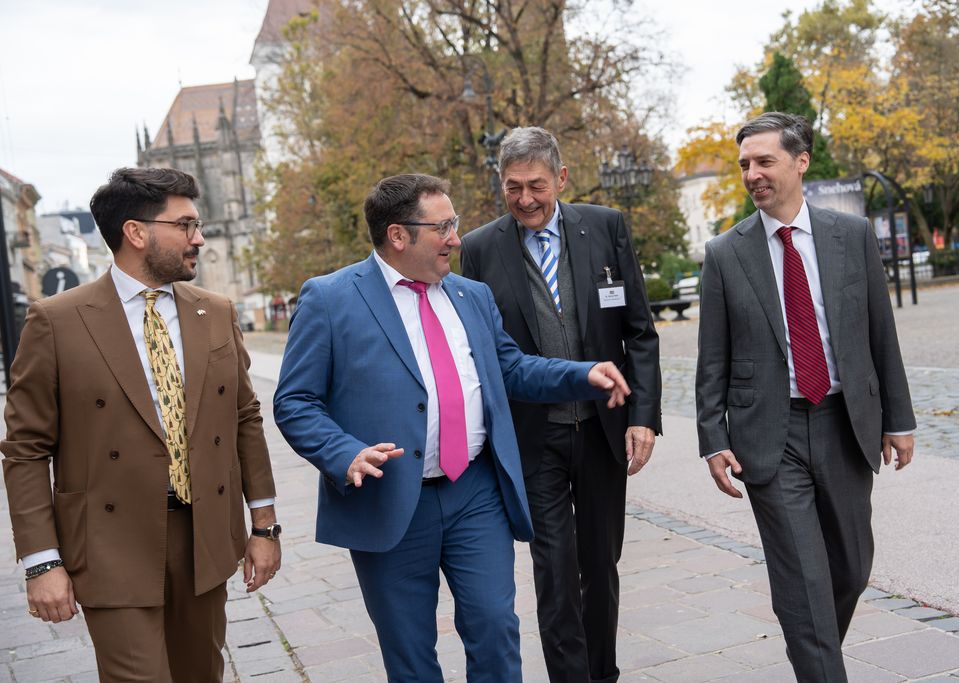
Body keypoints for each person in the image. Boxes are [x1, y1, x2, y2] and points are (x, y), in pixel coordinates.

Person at [273, 173, 632, 683]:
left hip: (475, 494)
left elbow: (509, 369)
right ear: (399, 235)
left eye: (455, 224)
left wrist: (581, 374)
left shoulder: (471, 296)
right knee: (411, 651)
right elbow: (295, 401)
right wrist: (343, 452)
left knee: (495, 628)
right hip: (390, 497)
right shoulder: (330, 299)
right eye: (442, 227)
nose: (456, 239)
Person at [1, 167, 281, 682]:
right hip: (110, 541)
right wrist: (42, 561)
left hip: (205, 536)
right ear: (136, 233)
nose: (199, 238)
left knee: (201, 673)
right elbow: (24, 448)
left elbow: (244, 418)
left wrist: (265, 526)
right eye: (185, 225)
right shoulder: (56, 320)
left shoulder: (215, 312)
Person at [694, 112, 916, 682]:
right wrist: (713, 441)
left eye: (764, 161)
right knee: (803, 582)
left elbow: (879, 333)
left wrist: (900, 418)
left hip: (846, 423)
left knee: (850, 566)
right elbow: (711, 358)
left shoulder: (852, 236)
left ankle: (813, 652)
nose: (752, 174)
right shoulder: (725, 253)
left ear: (800, 162)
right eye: (745, 164)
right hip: (771, 434)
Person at [460, 126, 661, 683]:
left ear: (562, 178)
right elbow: (486, 354)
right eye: (512, 187)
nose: (525, 199)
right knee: (554, 572)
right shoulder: (478, 249)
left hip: (602, 431)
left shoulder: (605, 227)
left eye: (536, 186)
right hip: (534, 437)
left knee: (601, 564)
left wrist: (643, 417)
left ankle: (603, 673)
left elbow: (639, 332)